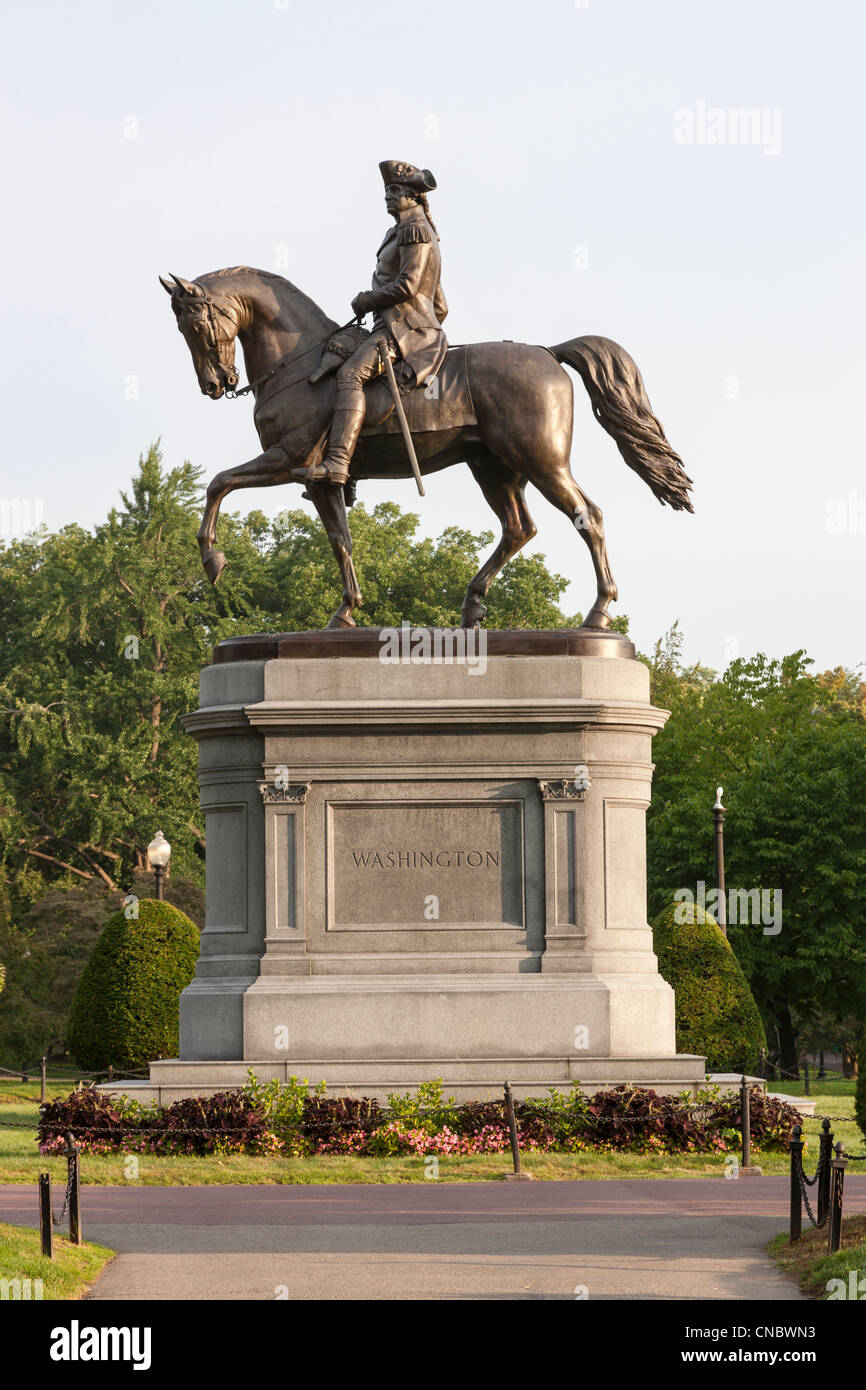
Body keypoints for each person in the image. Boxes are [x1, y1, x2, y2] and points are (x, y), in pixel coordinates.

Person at [293, 160, 448, 486]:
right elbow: (440, 305)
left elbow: (408, 286)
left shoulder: (413, 229)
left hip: (404, 329)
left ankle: (337, 464)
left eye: (394, 191)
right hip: (402, 326)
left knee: (350, 375)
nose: (388, 197)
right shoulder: (407, 230)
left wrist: (368, 300)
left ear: (412, 195)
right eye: (386, 191)